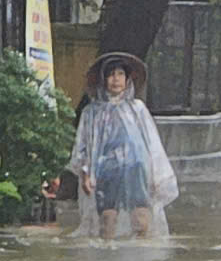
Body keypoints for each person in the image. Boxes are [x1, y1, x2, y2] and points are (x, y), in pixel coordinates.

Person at [70, 52, 178, 241]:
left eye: (120, 74)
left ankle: (140, 257)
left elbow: (152, 144)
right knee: (107, 219)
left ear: (128, 80)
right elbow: (83, 145)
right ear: (103, 80)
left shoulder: (137, 109)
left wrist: (157, 175)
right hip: (106, 171)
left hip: (136, 169)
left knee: (141, 216)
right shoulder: (92, 113)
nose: (115, 79)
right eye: (111, 74)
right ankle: (106, 257)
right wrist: (85, 173)